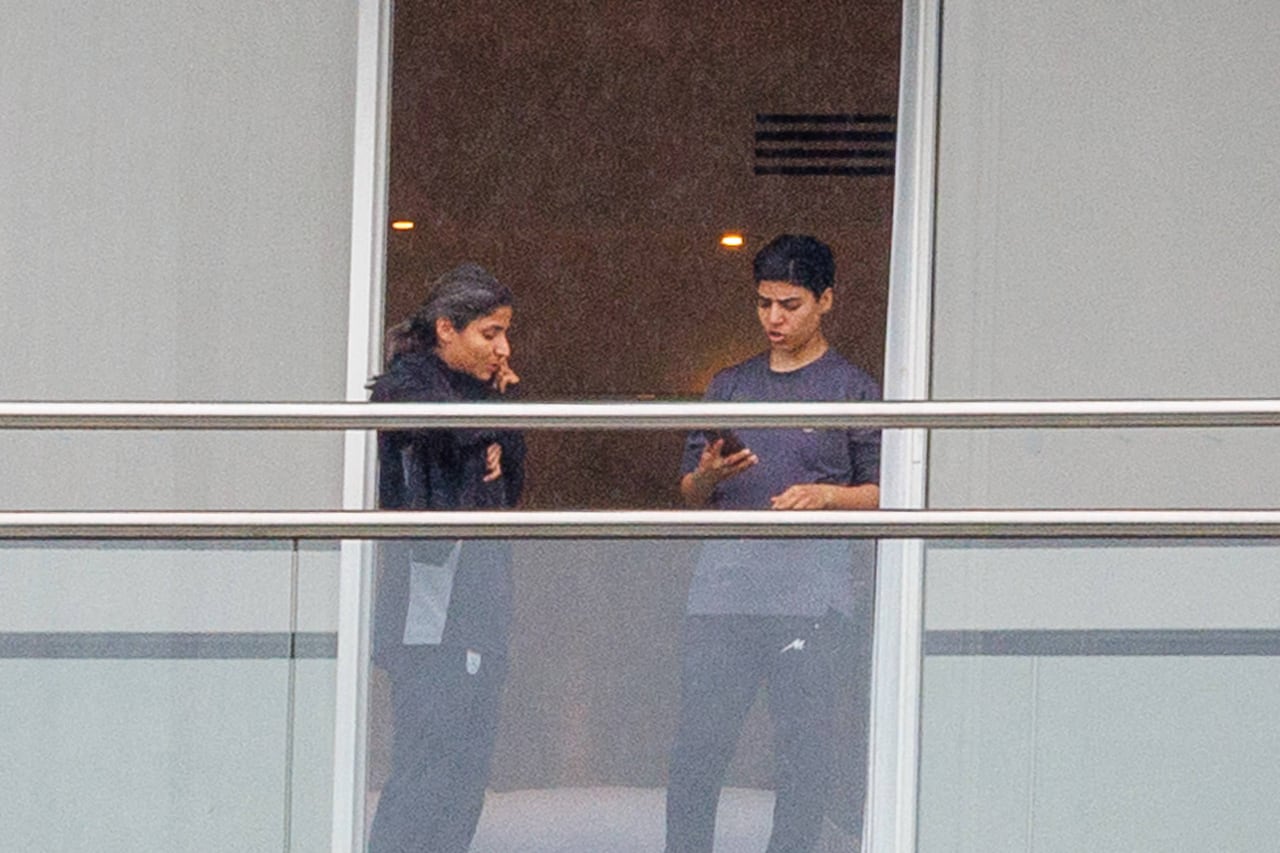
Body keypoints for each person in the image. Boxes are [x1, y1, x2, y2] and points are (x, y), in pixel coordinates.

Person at [664, 234, 881, 853]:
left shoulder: (852, 389)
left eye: (790, 304)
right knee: (698, 753)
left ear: (826, 301)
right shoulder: (729, 385)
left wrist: (826, 496)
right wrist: (710, 473)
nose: (775, 319)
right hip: (723, 595)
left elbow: (887, 493)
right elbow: (687, 491)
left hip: (810, 601)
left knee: (802, 760)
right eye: (763, 305)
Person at [366, 262, 525, 853]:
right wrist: (486, 419)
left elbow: (510, 491)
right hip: (429, 621)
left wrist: (501, 419)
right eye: (490, 333)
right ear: (445, 330)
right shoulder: (410, 381)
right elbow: (418, 412)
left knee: (465, 781)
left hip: (480, 613)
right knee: (422, 776)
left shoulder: (479, 398)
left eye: (505, 333)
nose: (503, 349)